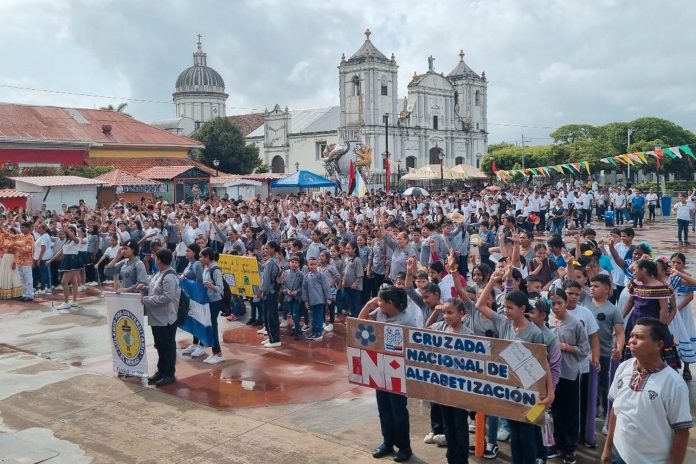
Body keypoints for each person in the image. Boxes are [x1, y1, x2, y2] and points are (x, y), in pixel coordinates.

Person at [601, 317, 692, 464]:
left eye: (639, 337)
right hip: (619, 456)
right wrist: (607, 449)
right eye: (631, 336)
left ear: (658, 345)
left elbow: (681, 432)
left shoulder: (674, 384)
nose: (631, 341)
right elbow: (615, 411)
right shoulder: (623, 368)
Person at [359, 286, 417, 463]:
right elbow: (359, 324)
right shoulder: (380, 312)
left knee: (398, 410)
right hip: (379, 367)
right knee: (383, 408)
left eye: (381, 301)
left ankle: (404, 447)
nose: (379, 303)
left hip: (398, 371)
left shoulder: (407, 321)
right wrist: (369, 305)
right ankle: (387, 442)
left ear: (391, 303)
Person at [426, 298, 474, 464]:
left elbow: (473, 366)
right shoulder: (441, 327)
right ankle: (451, 457)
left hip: (460, 389)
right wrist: (436, 311)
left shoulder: (468, 334)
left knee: (460, 424)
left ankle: (461, 459)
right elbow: (425, 329)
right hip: (443, 387)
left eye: (450, 312)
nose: (446, 316)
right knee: (447, 423)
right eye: (444, 312)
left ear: (462, 314)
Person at [547, 287, 590, 464]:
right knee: (554, 409)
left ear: (566, 303)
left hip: (570, 373)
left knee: (570, 411)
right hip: (551, 375)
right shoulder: (547, 321)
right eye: (553, 303)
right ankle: (556, 443)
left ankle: (569, 447)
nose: (556, 307)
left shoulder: (575, 324)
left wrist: (566, 347)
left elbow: (584, 350)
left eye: (559, 303)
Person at [138, 248, 181, 387]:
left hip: (166, 318)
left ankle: (169, 373)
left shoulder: (169, 277)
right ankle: (161, 371)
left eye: (156, 258)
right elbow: (153, 289)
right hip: (157, 317)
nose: (154, 260)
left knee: (167, 346)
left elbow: (167, 297)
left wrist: (147, 300)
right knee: (160, 346)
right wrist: (145, 288)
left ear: (160, 260)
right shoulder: (159, 274)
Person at [199, 247, 225, 364]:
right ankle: (214, 352)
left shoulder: (215, 270)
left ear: (208, 257)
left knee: (213, 326)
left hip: (215, 301)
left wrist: (211, 286)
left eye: (201, 257)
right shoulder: (206, 268)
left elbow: (221, 289)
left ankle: (218, 353)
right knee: (210, 326)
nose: (200, 259)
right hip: (208, 301)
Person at [47, 225, 82, 311]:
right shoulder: (67, 241)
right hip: (67, 260)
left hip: (72, 260)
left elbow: (75, 239)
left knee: (63, 282)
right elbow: (61, 252)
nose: (69, 232)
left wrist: (67, 230)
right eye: (68, 230)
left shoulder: (77, 239)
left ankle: (66, 302)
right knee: (74, 282)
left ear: (74, 232)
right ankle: (74, 301)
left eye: (71, 231)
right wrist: (50, 260)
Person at [0, 228, 24, 299]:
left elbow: (17, 252)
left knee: (13, 274)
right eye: (9, 231)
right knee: (5, 273)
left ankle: (14, 293)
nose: (9, 233)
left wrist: (14, 262)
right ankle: (6, 292)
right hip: (5, 258)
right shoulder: (6, 239)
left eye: (11, 232)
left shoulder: (17, 240)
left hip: (12, 257)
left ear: (14, 233)